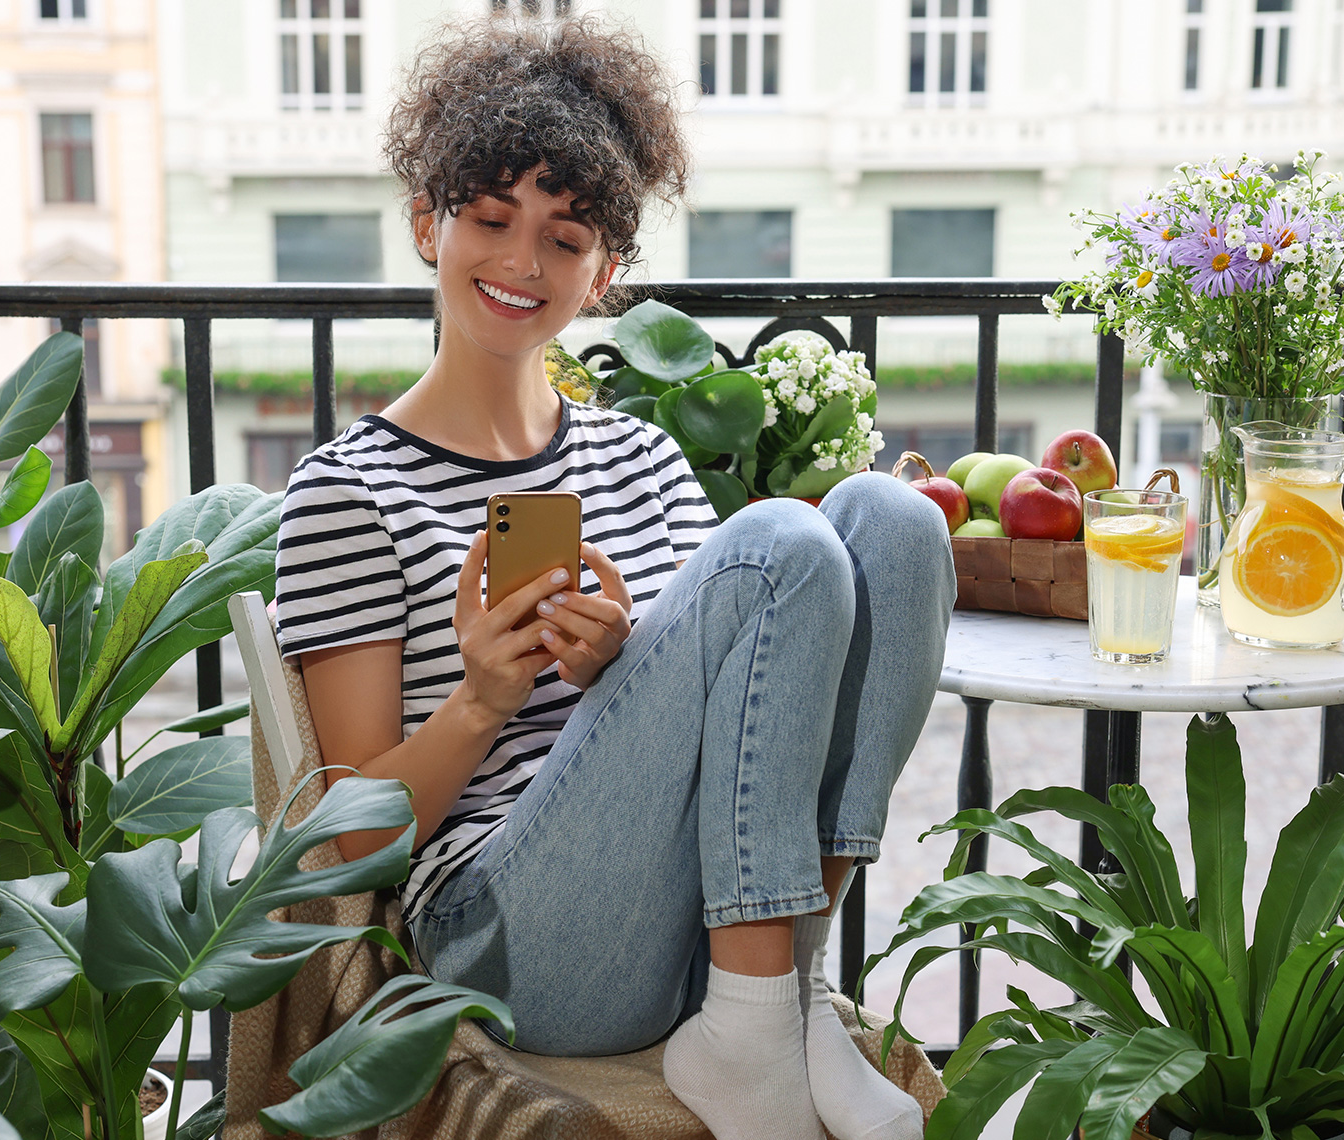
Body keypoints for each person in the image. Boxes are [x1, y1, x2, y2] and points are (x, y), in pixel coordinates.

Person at [267, 18, 950, 1140]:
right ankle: (759, 1025)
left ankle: (771, 999)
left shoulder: (640, 458)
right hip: (515, 941)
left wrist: (619, 666)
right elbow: (346, 842)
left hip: (693, 913)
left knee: (893, 520)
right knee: (782, 541)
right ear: (427, 224)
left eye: (567, 238)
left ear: (606, 275)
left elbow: (744, 732)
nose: (522, 264)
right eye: (490, 221)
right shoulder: (349, 494)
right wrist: (486, 697)